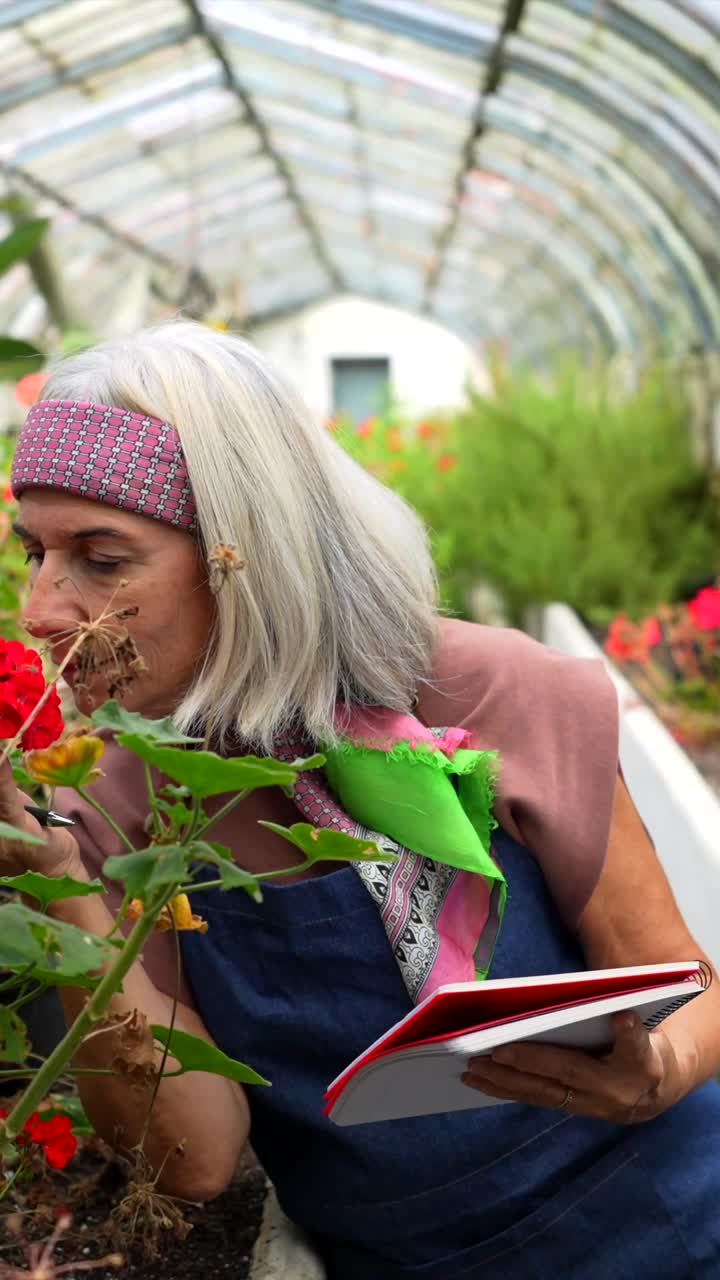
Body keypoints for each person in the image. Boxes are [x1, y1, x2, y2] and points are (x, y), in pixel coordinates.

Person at [2, 320, 719, 1280]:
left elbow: (687, 987)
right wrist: (60, 881)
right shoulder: (105, 793)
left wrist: (655, 1074)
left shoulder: (487, 689)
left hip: (667, 1217)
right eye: (32, 554)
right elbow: (197, 1158)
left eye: (101, 558)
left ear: (246, 555)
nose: (41, 610)